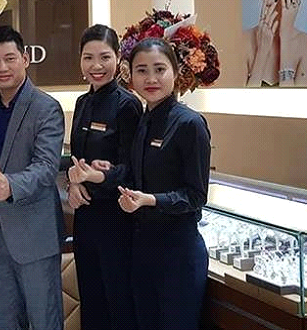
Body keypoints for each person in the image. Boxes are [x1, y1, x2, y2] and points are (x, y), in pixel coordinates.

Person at [71, 37, 211, 330]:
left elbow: (196, 196)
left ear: (175, 71)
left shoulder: (190, 124)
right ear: (130, 75)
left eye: (159, 69)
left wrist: (151, 200)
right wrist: (104, 173)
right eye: (142, 70)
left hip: (177, 251)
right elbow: (134, 175)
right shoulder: (144, 120)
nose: (151, 79)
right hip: (141, 248)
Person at [0, 25, 65, 330]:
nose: (2, 67)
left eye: (9, 58)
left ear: (25, 59)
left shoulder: (46, 107)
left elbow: (46, 166)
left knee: (44, 321)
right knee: (5, 321)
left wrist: (11, 185)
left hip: (34, 236)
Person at [66, 24, 141, 330]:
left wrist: (97, 177)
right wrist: (73, 183)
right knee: (92, 301)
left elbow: (133, 171)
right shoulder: (82, 103)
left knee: (118, 304)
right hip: (85, 218)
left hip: (116, 220)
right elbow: (77, 161)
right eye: (88, 58)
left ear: (118, 57)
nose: (96, 66)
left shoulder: (127, 104)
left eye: (104, 57)